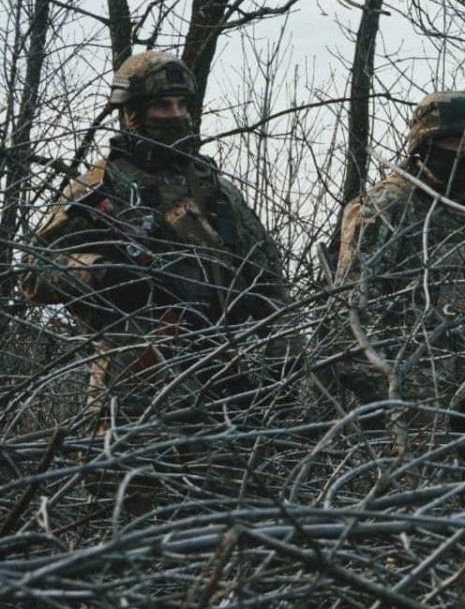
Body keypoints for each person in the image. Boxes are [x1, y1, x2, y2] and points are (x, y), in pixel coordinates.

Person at [21, 51, 292, 505]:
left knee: (224, 513)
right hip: (132, 378)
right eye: (161, 106)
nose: (175, 116)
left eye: (182, 105)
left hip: (218, 370)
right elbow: (34, 273)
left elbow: (268, 277)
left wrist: (282, 361)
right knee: (125, 512)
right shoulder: (98, 190)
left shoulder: (215, 191)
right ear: (132, 113)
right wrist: (102, 274)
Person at [335, 91, 465, 453]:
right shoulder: (385, 207)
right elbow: (350, 322)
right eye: (452, 141)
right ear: (425, 145)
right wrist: (406, 402)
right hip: (399, 417)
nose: (463, 153)